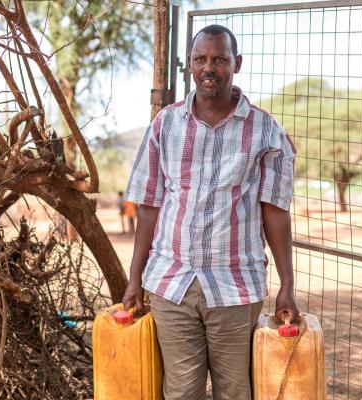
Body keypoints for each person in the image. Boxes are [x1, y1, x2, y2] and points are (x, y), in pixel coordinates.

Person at [122, 24, 299, 400]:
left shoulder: (266, 130)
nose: (209, 67)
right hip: (171, 282)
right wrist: (135, 277)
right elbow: (149, 203)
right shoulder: (165, 123)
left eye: (219, 59)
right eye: (201, 59)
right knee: (181, 392)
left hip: (236, 286)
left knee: (235, 392)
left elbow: (275, 211)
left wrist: (287, 284)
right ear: (189, 64)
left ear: (236, 63)